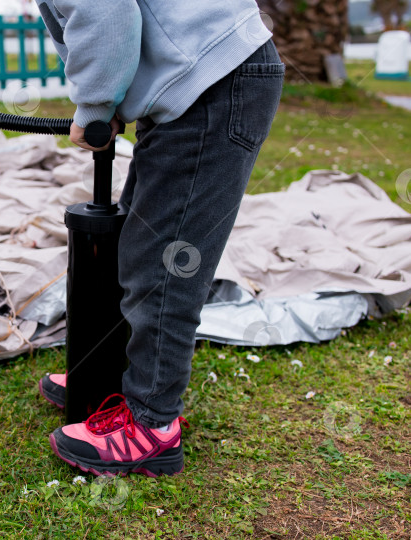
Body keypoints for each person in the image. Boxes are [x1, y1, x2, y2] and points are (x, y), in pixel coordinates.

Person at [34, 0, 285, 476]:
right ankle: (109, 382)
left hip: (212, 85)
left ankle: (152, 425)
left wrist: (95, 106)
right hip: (198, 82)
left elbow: (105, 14)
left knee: (164, 266)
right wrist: (103, 101)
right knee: (140, 243)